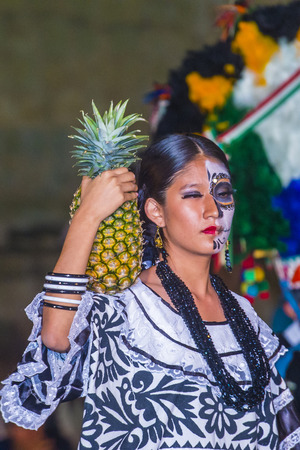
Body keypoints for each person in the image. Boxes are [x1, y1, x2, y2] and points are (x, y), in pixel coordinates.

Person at [1, 133, 300, 449]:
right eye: (192, 195)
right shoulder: (129, 307)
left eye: (222, 192)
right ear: (156, 211)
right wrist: (87, 216)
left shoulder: (244, 314)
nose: (213, 210)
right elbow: (56, 337)